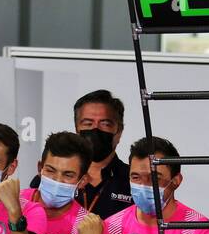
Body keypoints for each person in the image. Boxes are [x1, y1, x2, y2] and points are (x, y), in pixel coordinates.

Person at [34, 88, 134, 221]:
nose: (95, 129)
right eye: (88, 123)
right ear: (77, 129)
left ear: (119, 131)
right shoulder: (47, 180)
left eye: (105, 124)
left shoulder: (135, 182)